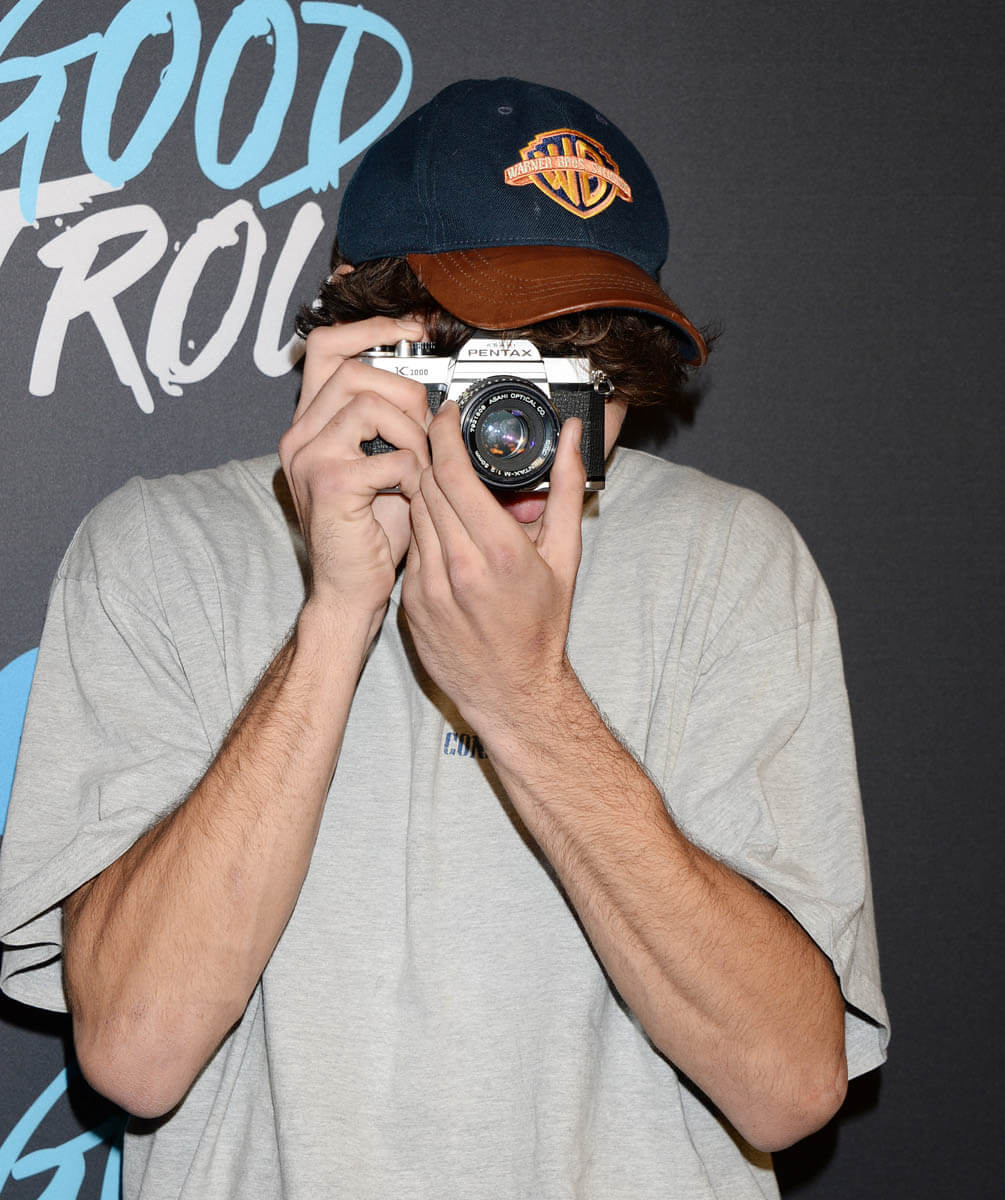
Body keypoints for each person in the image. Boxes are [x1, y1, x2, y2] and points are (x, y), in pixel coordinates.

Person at [0, 78, 888, 1199]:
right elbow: (136, 1052)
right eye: (492, 356)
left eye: (587, 370)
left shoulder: (728, 561)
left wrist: (526, 702)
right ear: (358, 326)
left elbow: (789, 1087)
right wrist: (337, 611)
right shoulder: (164, 551)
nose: (535, 416)